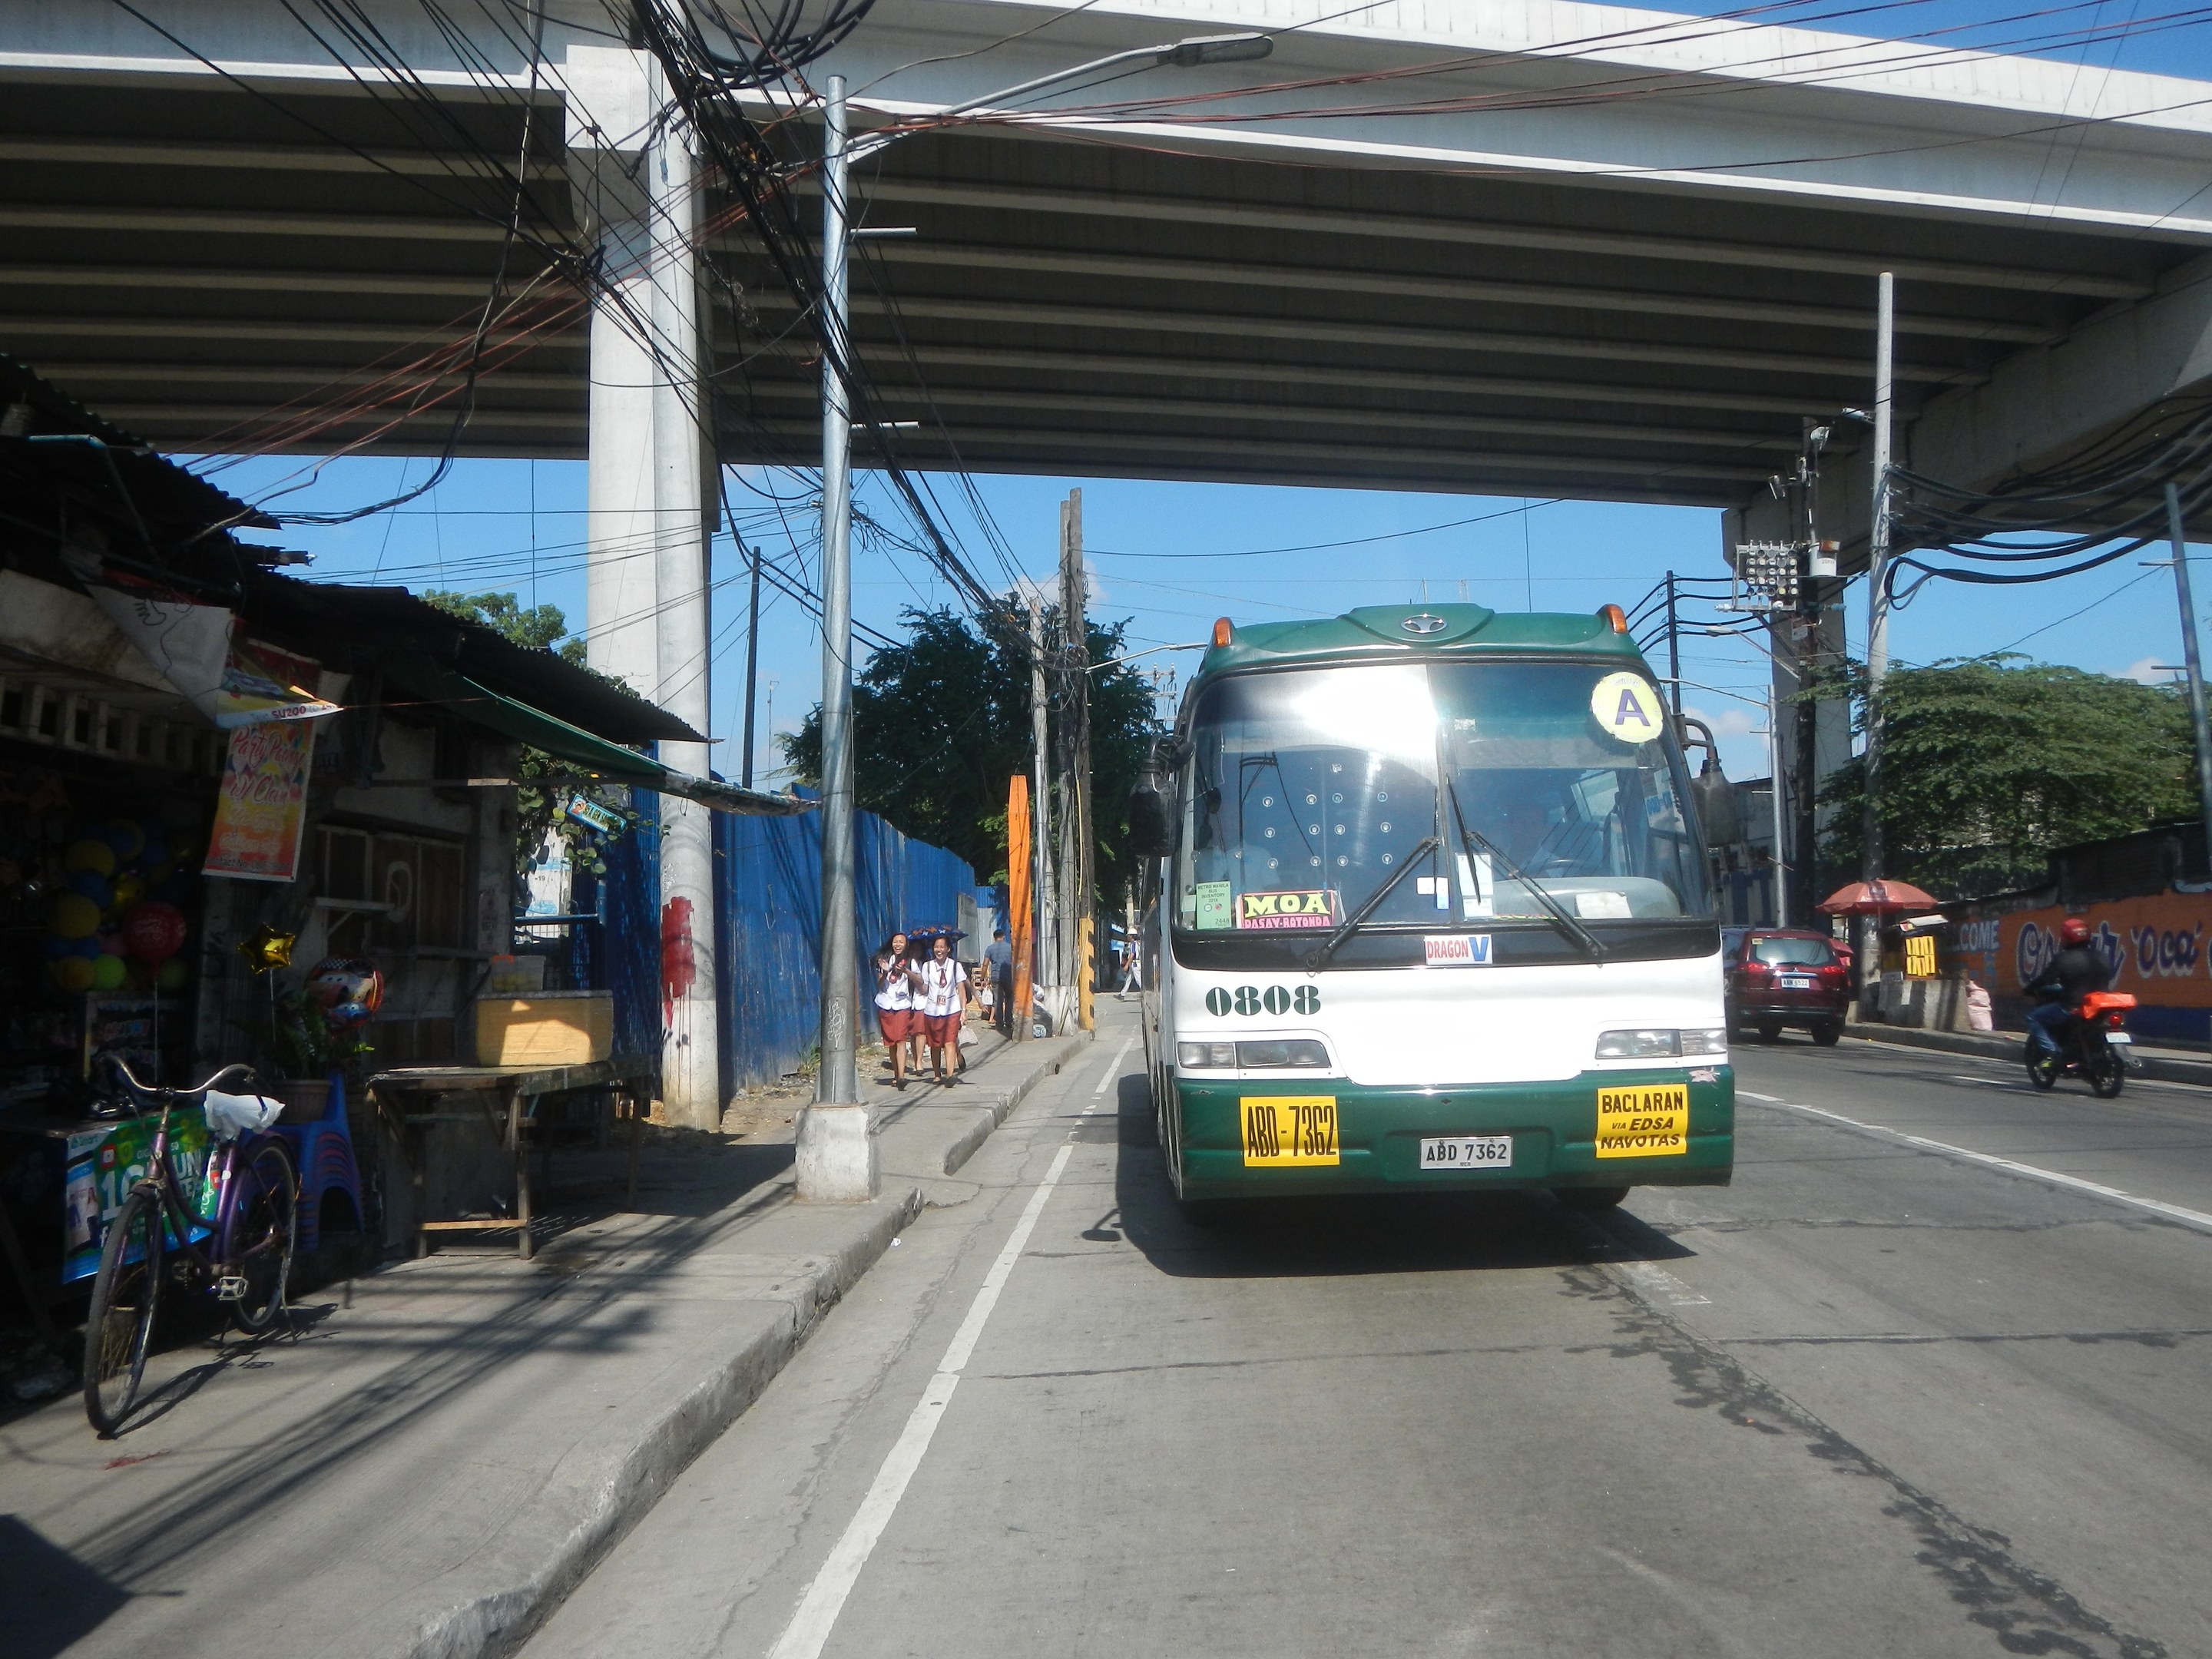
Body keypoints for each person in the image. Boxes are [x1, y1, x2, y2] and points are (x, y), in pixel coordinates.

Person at [2026, 917, 2111, 1059]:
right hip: (2099, 1007)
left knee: (2033, 1018)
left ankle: (2053, 1053)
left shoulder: (2064, 958)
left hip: (2072, 1007)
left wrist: (2028, 989)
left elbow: (2046, 979)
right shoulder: (2101, 956)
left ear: (2066, 938)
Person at [916, 934, 970, 1085]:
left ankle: (950, 1074)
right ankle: (937, 1073)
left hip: (951, 1009)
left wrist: (963, 1010)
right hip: (932, 1010)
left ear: (948, 949)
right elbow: (925, 988)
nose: (938, 950)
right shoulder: (927, 966)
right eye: (936, 947)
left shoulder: (955, 966)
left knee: (950, 1042)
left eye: (942, 947)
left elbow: (961, 988)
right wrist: (915, 979)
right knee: (934, 1044)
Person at [872, 931, 919, 1090]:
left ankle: (901, 1076)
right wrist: (885, 972)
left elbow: (920, 981)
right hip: (886, 1004)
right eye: (895, 942)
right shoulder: (885, 960)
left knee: (900, 1039)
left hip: (902, 1005)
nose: (898, 945)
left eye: (901, 942)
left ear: (906, 945)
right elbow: (878, 985)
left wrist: (907, 972)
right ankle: (896, 1073)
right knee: (891, 1042)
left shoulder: (911, 962)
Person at [984, 926, 1015, 1036]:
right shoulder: (1010, 947)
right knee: (1009, 999)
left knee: (998, 1000)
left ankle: (1000, 1024)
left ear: (994, 938)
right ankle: (1009, 1021)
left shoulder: (990, 948)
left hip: (996, 977)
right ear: (1004, 937)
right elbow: (1014, 961)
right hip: (1008, 976)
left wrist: (982, 977)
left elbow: (985, 963)